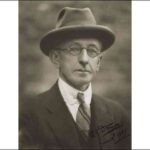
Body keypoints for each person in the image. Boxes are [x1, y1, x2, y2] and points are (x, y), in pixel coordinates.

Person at [19, 7, 131, 149]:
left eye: (92, 51)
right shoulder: (30, 113)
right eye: (74, 49)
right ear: (55, 57)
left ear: (99, 62)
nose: (84, 59)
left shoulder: (117, 115)